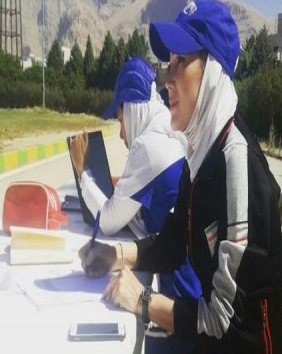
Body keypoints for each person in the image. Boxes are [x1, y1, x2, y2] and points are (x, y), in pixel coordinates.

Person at [80, 0, 282, 354]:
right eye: (168, 64)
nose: (168, 80)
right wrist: (115, 254)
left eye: (181, 62)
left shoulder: (235, 164)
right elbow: (174, 242)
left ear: (212, 73)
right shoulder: (200, 152)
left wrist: (143, 300)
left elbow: (225, 324)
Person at [71, 57, 201, 354]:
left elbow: (107, 221)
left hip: (176, 296)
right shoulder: (167, 125)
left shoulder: (147, 146)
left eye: (120, 121)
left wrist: (83, 174)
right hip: (187, 276)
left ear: (131, 109)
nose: (121, 134)